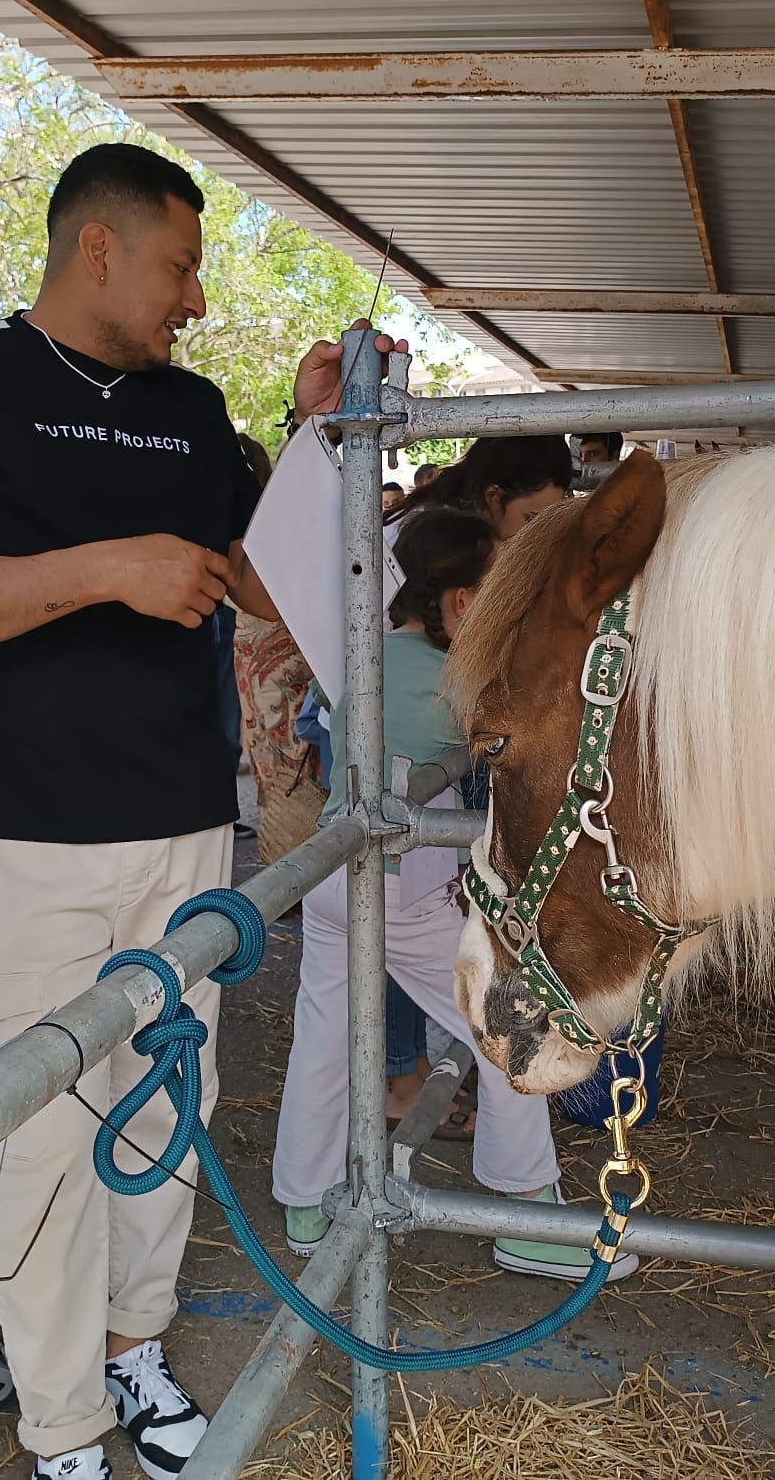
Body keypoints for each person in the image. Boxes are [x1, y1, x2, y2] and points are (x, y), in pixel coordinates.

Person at [0, 142, 303, 1480]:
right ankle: (61, 1425)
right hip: (22, 834)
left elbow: (271, 589)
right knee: (50, 1130)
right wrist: (107, 569)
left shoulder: (195, 411)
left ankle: (136, 1347)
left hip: (180, 825)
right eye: (182, 265)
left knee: (170, 1104)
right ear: (96, 248)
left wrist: (320, 443)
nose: (198, 299)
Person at [270, 509, 639, 1284]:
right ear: (467, 603)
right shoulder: (461, 676)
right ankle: (525, 1212)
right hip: (404, 885)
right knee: (511, 1033)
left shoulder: (357, 655)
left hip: (331, 871)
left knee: (325, 1036)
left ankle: (304, 1201)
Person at [231, 434, 325, 866]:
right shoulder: (266, 531)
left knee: (281, 767)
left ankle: (288, 872)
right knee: (294, 765)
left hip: (263, 664)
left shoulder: (247, 533)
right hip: (283, 661)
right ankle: (294, 872)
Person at [383, 434, 569, 539]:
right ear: (493, 496)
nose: (539, 534)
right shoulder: (438, 539)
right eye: (530, 519)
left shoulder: (448, 515)